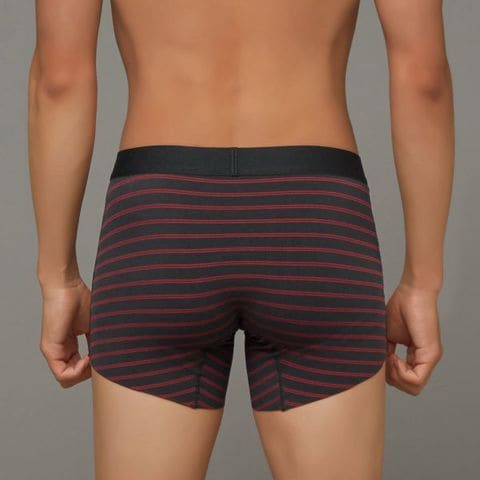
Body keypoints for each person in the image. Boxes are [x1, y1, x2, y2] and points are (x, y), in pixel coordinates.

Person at [27, 0, 454, 478]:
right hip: (315, 222)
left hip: (160, 225)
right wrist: (422, 282)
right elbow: (424, 78)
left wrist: (58, 278)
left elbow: (59, 79)